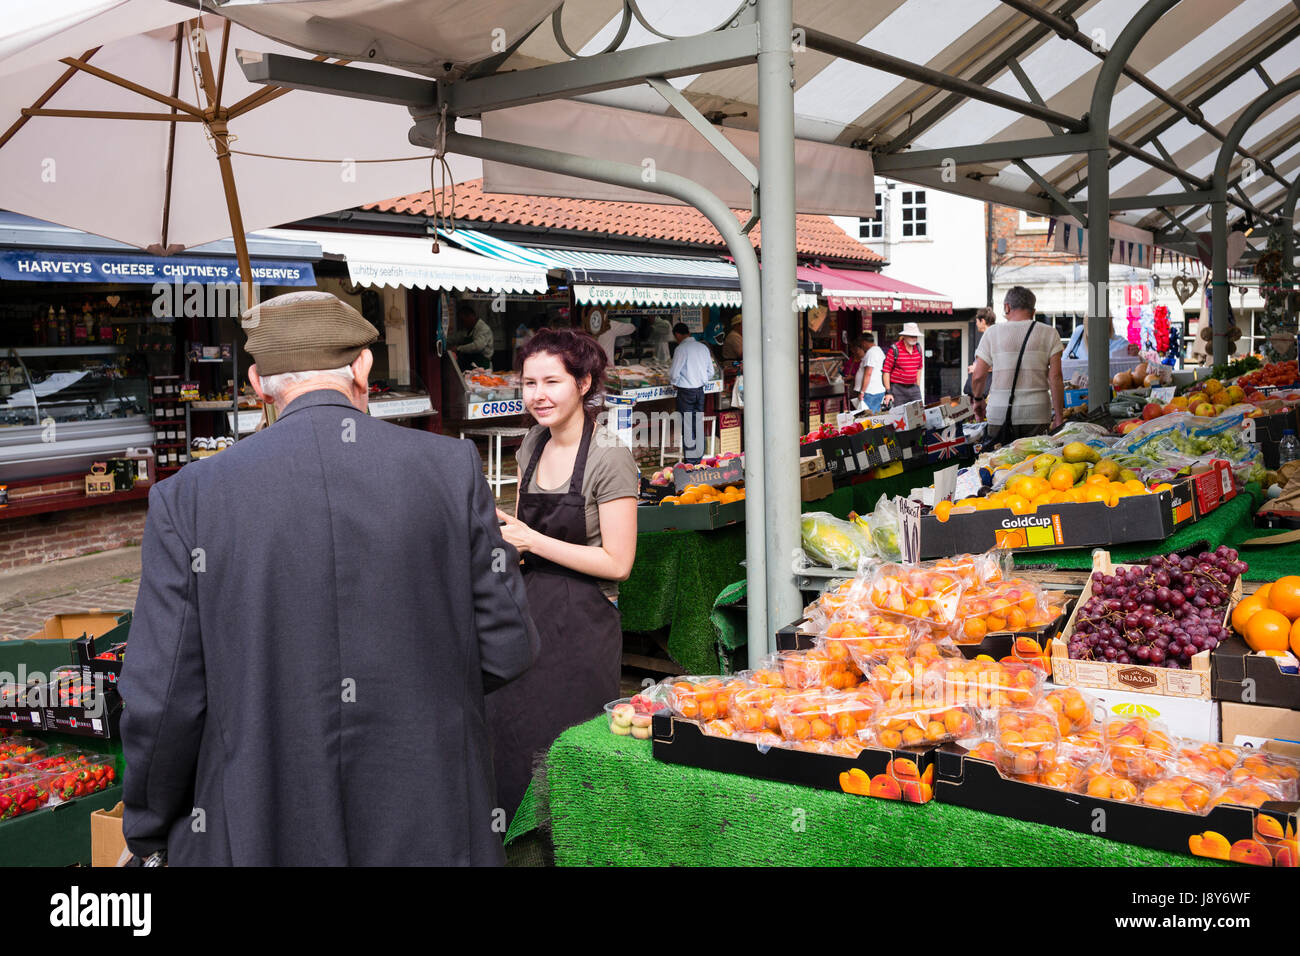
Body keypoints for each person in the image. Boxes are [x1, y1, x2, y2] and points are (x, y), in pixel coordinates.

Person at [118, 290, 537, 865]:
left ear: (258, 380)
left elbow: (162, 700)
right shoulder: (450, 469)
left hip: (258, 818)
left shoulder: (188, 498)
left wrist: (148, 827)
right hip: (430, 814)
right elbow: (508, 646)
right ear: (364, 367)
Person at [491, 328, 639, 819]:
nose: (538, 395)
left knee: (569, 746)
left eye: (551, 381)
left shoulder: (610, 456)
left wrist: (532, 540)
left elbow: (619, 563)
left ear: (583, 383)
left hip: (583, 624)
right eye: (529, 382)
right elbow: (518, 534)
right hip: (527, 612)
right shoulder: (531, 444)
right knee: (514, 735)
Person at [970, 286, 1065, 440]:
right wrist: (1059, 416)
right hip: (1037, 413)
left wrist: (978, 400)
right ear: (1033, 311)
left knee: (999, 462)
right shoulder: (1050, 333)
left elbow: (978, 376)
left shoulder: (991, 333)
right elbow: (1056, 378)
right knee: (1033, 462)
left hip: (999, 414)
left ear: (1007, 307)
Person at [669, 322, 714, 464]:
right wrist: (701, 380)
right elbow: (711, 372)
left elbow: (674, 373)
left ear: (677, 335)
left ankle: (690, 462)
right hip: (700, 391)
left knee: (688, 425)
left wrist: (674, 383)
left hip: (686, 392)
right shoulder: (703, 347)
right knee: (697, 423)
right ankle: (699, 458)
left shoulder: (681, 349)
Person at [881, 322, 924, 407]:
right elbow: (886, 371)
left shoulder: (918, 348)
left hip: (913, 388)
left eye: (916, 336)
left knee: (918, 415)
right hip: (897, 389)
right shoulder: (894, 349)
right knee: (899, 417)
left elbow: (919, 368)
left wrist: (917, 386)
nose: (914, 338)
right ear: (904, 336)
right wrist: (888, 392)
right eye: (912, 336)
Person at [964, 307, 996, 401]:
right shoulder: (990, 335)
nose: (976, 324)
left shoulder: (990, 336)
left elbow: (996, 363)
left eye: (977, 321)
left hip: (987, 389)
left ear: (982, 321)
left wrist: (976, 368)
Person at [451, 302, 495, 370]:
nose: (463, 323)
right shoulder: (469, 329)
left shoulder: (482, 328)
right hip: (471, 366)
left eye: (463, 320)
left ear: (471, 316)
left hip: (482, 367)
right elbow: (457, 338)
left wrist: (458, 348)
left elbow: (478, 346)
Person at [860, 332, 887, 412]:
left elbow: (868, 373)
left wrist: (862, 391)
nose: (861, 346)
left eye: (861, 344)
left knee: (869, 417)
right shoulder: (878, 350)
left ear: (864, 342)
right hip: (878, 390)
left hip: (871, 391)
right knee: (875, 416)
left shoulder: (871, 352)